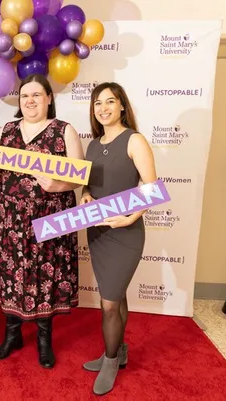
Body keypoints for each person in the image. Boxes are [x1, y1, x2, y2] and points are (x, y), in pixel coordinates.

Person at [0, 73, 84, 368]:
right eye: (25, 95)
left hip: (50, 218)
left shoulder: (64, 131)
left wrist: (58, 186)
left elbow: (78, 178)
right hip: (10, 219)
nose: (29, 100)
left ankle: (44, 340)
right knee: (11, 274)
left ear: (49, 98)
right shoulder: (7, 129)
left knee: (45, 276)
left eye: (36, 95)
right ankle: (12, 335)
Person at [79, 82, 157, 396]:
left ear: (122, 105)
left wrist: (130, 217)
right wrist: (84, 195)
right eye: (98, 103)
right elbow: (88, 184)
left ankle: (110, 360)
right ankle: (119, 351)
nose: (103, 108)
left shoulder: (134, 140)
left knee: (109, 304)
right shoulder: (93, 144)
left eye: (110, 102)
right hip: (97, 231)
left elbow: (150, 187)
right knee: (117, 295)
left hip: (125, 232)